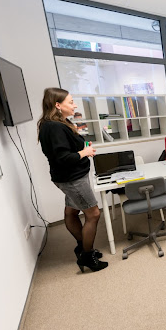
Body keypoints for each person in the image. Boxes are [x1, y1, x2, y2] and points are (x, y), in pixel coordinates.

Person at [37, 87, 107, 273]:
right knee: (93, 214)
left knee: (71, 212)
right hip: (73, 180)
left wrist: (84, 148)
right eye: (71, 102)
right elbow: (62, 158)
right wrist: (84, 152)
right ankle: (87, 255)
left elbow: (67, 149)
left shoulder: (57, 123)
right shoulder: (54, 127)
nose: (74, 105)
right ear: (58, 105)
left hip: (70, 178)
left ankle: (82, 246)